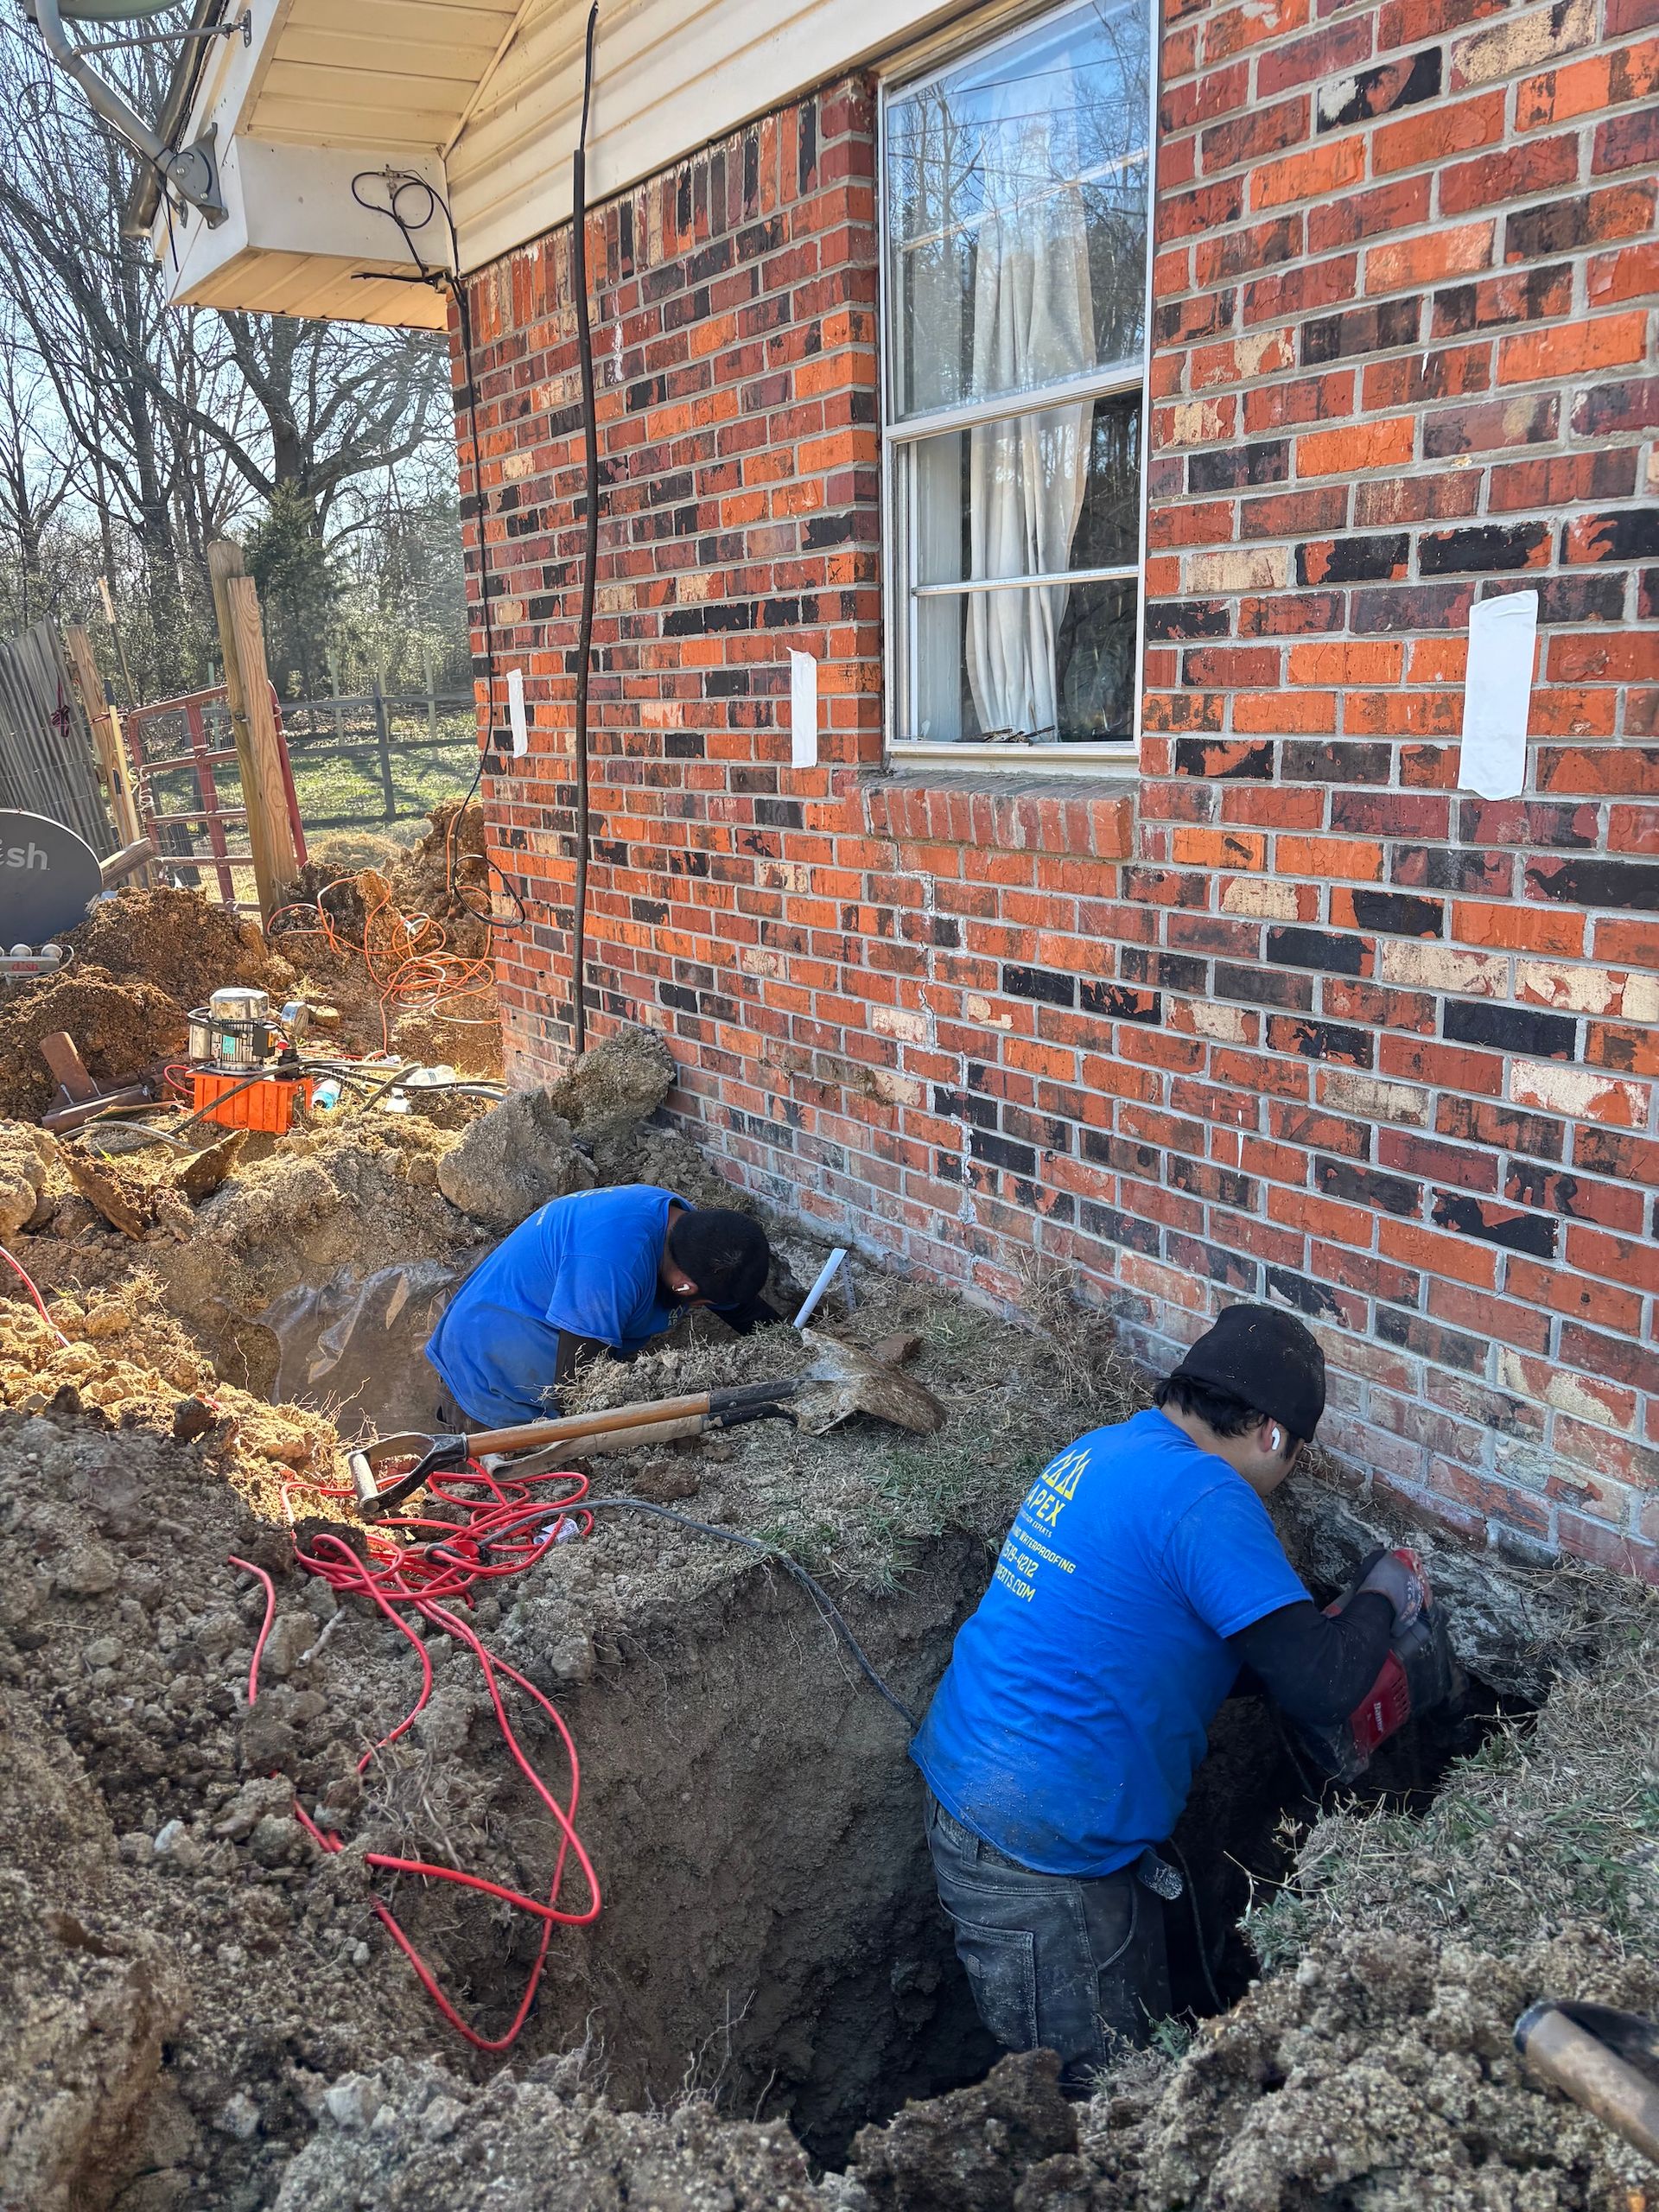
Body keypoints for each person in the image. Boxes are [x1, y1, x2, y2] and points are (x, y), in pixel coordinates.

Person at [909, 1303, 1424, 2087]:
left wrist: (1304, 1633)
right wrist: (1381, 1595)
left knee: (1138, 2042)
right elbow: (1323, 1687)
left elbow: (1157, 1631)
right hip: (1042, 1853)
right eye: (1297, 1457)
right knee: (1107, 2102)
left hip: (987, 1786)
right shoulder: (1206, 1497)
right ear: (1274, 1435)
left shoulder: (1105, 1450)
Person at [423, 1184, 778, 1429]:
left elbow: (738, 1307)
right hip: (493, 1380)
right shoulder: (611, 1266)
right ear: (684, 1286)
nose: (701, 1308)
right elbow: (576, 1392)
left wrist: (791, 1346)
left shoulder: (690, 1233)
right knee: (499, 1506)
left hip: (548, 1349)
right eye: (701, 1303)